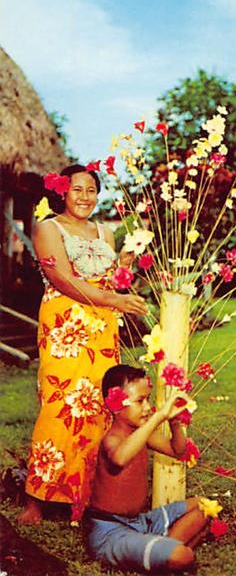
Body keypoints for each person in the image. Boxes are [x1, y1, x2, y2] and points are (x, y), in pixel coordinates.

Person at [19, 165, 147, 525]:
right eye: (77, 189)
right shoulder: (48, 227)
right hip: (66, 326)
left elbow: (113, 283)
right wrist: (114, 300)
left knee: (102, 404)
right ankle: (38, 498)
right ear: (63, 192)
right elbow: (62, 280)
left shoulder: (105, 231)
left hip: (103, 327)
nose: (85, 197)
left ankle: (87, 494)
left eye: (91, 190)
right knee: (59, 403)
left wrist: (127, 263)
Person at [86, 365, 208, 574]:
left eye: (148, 399)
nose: (147, 407)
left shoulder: (143, 433)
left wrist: (174, 422)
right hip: (111, 531)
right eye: (140, 401)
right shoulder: (112, 439)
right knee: (182, 556)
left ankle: (159, 547)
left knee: (205, 506)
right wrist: (157, 417)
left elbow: (177, 451)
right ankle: (166, 550)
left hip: (141, 522)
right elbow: (120, 458)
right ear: (114, 403)